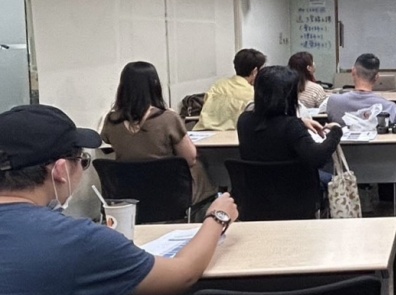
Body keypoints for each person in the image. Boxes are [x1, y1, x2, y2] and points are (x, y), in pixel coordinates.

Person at [0, 104, 239, 295]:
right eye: (81, 161)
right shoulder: (73, 238)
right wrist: (217, 218)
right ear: (59, 170)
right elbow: (182, 274)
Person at [324, 54, 396, 211]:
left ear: (353, 72)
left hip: (345, 160)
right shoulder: (389, 107)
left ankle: (363, 192)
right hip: (385, 161)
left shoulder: (334, 102)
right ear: (377, 77)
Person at [100, 61, 215, 205]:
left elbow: (107, 140)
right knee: (200, 166)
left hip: (128, 194)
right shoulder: (168, 118)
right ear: (154, 85)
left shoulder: (111, 120)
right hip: (168, 192)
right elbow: (190, 158)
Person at [236, 66, 341, 185]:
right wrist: (336, 132)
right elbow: (318, 158)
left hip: (257, 190)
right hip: (295, 189)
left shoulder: (243, 120)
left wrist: (301, 121)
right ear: (288, 97)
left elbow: (271, 127)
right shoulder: (291, 126)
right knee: (331, 177)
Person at [194, 48, 266, 131]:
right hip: (230, 135)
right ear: (255, 71)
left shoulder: (218, 84)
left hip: (200, 133)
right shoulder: (253, 93)